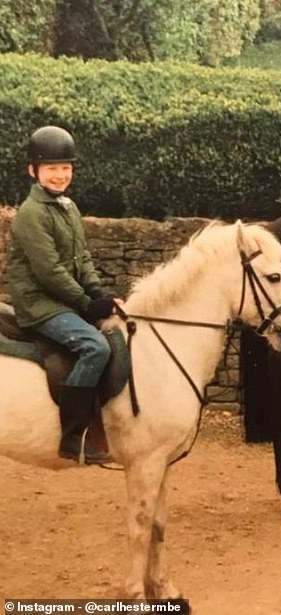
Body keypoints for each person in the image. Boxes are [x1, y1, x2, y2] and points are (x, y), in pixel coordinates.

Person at [7, 125, 117, 464]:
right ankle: (72, 437)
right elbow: (49, 271)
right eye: (52, 168)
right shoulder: (30, 214)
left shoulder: (68, 208)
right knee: (94, 347)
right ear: (33, 171)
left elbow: (80, 259)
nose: (60, 175)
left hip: (62, 301)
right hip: (40, 305)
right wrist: (86, 304)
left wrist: (98, 291)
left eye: (65, 167)